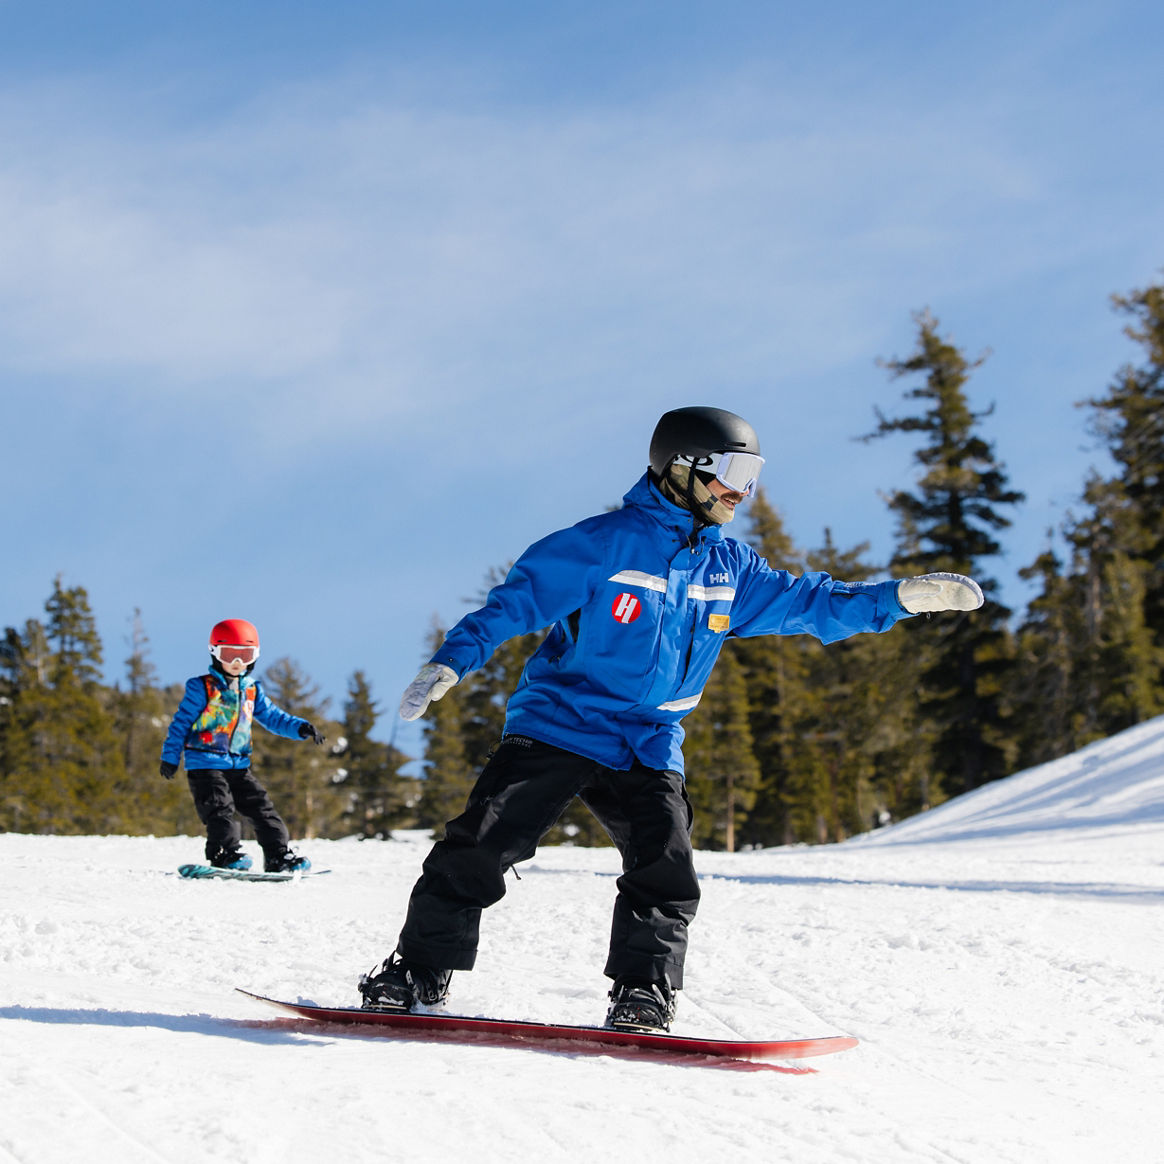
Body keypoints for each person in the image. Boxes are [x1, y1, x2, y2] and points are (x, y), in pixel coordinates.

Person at [360, 406, 983, 1031]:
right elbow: (513, 602)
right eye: (734, 472)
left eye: (753, 475)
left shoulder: (730, 570)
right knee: (482, 842)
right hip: (562, 722)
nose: (742, 491)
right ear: (682, 468)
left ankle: (644, 993)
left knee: (666, 866)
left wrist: (898, 599)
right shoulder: (605, 544)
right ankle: (417, 969)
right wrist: (452, 661)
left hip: (649, 740)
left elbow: (813, 603)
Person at [160, 618, 326, 873]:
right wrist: (170, 756)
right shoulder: (202, 687)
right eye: (230, 654)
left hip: (239, 765)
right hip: (205, 764)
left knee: (262, 808)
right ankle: (224, 853)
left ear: (254, 657)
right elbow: (180, 723)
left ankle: (278, 856)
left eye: (245, 655)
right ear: (215, 653)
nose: (237, 663)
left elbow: (273, 717)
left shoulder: (252, 690)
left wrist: (300, 727)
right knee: (220, 809)